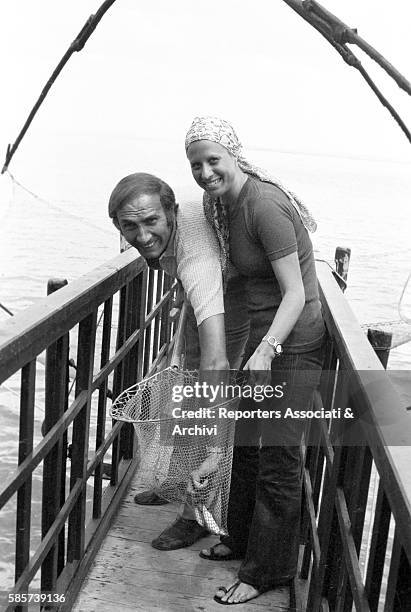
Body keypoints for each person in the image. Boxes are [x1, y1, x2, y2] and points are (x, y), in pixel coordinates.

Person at [185, 116, 325, 604]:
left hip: (296, 340)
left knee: (278, 459)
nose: (205, 172)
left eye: (213, 161)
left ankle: (268, 571)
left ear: (235, 156)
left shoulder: (262, 205)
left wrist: (268, 348)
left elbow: (295, 293)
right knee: (245, 443)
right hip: (267, 337)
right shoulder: (220, 204)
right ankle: (240, 539)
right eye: (196, 164)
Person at [108, 172, 248, 551]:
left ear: (170, 213)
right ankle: (176, 482)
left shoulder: (196, 260)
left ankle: (195, 515)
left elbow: (217, 359)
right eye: (130, 226)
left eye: (151, 222)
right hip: (213, 290)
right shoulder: (179, 221)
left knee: (206, 400)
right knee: (186, 393)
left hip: (240, 305)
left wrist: (216, 444)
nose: (142, 235)